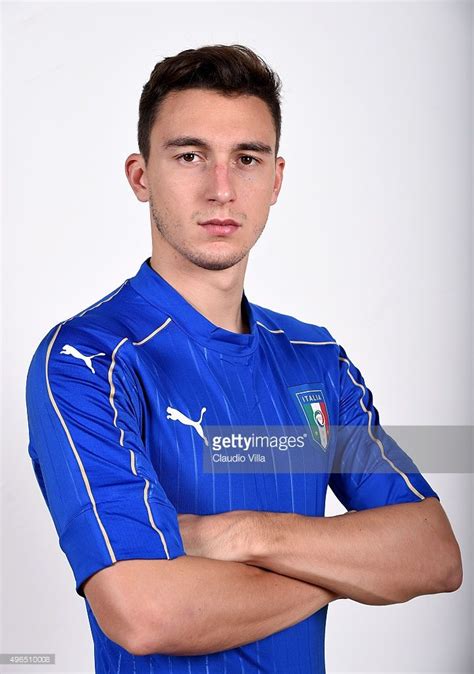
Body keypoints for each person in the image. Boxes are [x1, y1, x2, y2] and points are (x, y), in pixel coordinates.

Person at [25, 44, 463, 673]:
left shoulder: (318, 361)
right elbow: (145, 614)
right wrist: (353, 570)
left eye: (247, 159)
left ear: (276, 179)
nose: (222, 189)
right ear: (140, 175)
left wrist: (241, 535)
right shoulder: (85, 360)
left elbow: (433, 555)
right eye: (189, 155)